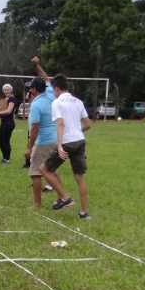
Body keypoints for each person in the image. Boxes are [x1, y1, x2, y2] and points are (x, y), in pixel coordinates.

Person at [41, 73, 93, 219]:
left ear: (57, 88)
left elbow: (60, 123)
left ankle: (65, 198)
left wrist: (59, 146)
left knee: (44, 169)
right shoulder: (78, 101)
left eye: (53, 90)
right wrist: (77, 131)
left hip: (67, 142)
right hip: (80, 141)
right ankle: (84, 212)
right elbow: (88, 124)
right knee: (79, 177)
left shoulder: (57, 103)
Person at [24, 58, 70, 209]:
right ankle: (60, 198)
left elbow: (35, 128)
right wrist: (36, 66)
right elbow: (45, 77)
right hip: (55, 139)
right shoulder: (51, 93)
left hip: (43, 141)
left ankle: (38, 204)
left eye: (31, 89)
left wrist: (29, 148)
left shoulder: (36, 104)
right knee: (52, 170)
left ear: (34, 90)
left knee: (35, 172)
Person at [0, 84, 17, 163]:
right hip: (3, 122)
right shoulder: (3, 100)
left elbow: (9, 111)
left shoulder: (12, 99)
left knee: (6, 141)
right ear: (3, 91)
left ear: (11, 90)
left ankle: (7, 159)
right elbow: (1, 112)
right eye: (5, 90)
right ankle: (4, 158)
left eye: (8, 90)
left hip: (9, 123)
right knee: (0, 141)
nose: (6, 91)